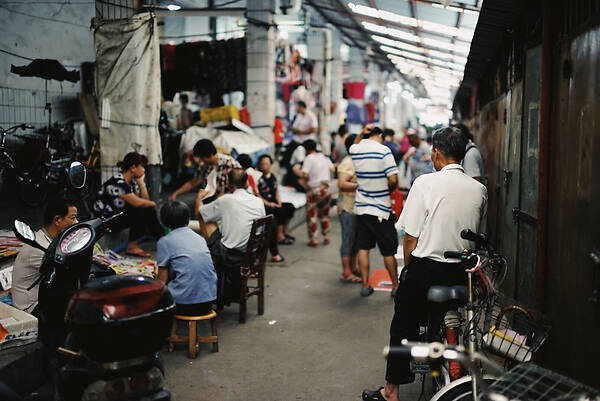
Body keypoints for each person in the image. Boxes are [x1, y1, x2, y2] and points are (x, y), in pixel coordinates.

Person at [362, 127, 487, 401]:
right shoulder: (480, 190)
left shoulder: (425, 183)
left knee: (403, 324)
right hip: (461, 272)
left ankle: (391, 392)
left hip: (426, 269)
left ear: (436, 152)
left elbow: (410, 239)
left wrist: (407, 271)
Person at [349, 126, 399, 297]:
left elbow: (354, 144)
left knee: (363, 247)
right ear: (380, 136)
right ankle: (395, 286)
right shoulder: (384, 151)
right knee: (388, 251)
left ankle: (365, 285)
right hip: (381, 210)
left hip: (362, 208)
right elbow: (393, 179)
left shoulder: (356, 150)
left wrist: (362, 133)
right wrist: (386, 187)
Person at [11, 198, 78, 316]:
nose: (77, 222)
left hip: (41, 299)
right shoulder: (40, 248)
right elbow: (67, 273)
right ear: (57, 220)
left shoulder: (48, 240)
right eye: (73, 218)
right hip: (30, 307)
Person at [197, 168, 266, 281]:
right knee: (219, 219)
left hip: (233, 256)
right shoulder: (258, 201)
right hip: (253, 254)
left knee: (205, 217)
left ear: (228, 183)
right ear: (247, 183)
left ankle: (214, 258)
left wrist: (199, 197)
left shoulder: (226, 200)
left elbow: (200, 212)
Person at [93, 152, 163, 257]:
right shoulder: (118, 182)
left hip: (118, 218)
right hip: (105, 223)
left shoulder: (132, 183)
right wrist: (152, 203)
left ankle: (161, 239)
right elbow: (138, 203)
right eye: (142, 167)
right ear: (133, 167)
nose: (144, 170)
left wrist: (141, 183)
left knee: (145, 209)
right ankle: (139, 244)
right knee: (140, 209)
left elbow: (144, 201)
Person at [157, 201, 217, 316]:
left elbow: (161, 281)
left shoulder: (164, 242)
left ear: (164, 221)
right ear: (187, 219)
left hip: (184, 304)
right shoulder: (199, 238)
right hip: (209, 300)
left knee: (154, 294)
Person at [168, 139, 241, 207]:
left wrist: (217, 202)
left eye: (202, 157)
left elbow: (237, 189)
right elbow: (193, 182)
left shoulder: (230, 164)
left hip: (230, 201)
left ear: (211, 154)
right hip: (213, 200)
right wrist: (176, 193)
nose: (201, 160)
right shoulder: (204, 166)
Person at [300, 139, 334, 247]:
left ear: (306, 149)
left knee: (312, 216)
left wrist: (306, 179)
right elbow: (332, 169)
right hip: (326, 189)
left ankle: (314, 239)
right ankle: (326, 236)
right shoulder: (324, 157)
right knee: (325, 214)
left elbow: (305, 174)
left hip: (314, 190)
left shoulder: (309, 158)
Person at [257, 154, 296, 246]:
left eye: (267, 164)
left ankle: (284, 231)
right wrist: (269, 204)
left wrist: (279, 201)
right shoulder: (258, 178)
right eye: (262, 164)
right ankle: (279, 236)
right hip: (265, 204)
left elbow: (276, 190)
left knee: (290, 207)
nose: (265, 166)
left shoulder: (272, 176)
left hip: (274, 202)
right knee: (279, 210)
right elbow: (257, 194)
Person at [337, 134, 361, 283]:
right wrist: (362, 186)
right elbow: (342, 183)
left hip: (356, 207)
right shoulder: (347, 162)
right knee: (348, 239)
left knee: (355, 240)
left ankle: (353, 267)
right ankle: (346, 271)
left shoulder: (357, 161)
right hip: (347, 208)